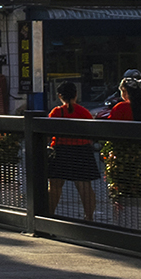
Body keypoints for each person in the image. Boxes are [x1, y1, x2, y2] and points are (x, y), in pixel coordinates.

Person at [44, 88, 100, 221]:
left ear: (59, 96)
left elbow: (47, 132)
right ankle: (89, 217)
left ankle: (49, 215)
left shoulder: (56, 112)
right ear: (76, 95)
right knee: (84, 186)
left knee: (55, 186)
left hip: (61, 150)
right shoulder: (84, 112)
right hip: (82, 151)